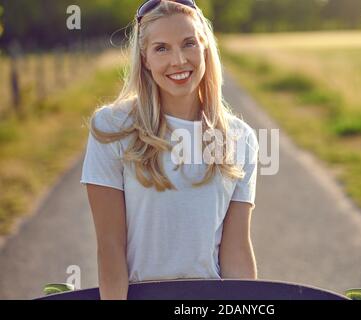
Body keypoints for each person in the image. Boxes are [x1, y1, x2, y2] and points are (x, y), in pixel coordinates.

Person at [80, 0, 259, 300]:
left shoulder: (241, 138)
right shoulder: (112, 127)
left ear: (205, 48)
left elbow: (237, 250)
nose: (178, 60)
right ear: (145, 59)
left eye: (188, 43)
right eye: (161, 48)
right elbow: (110, 246)